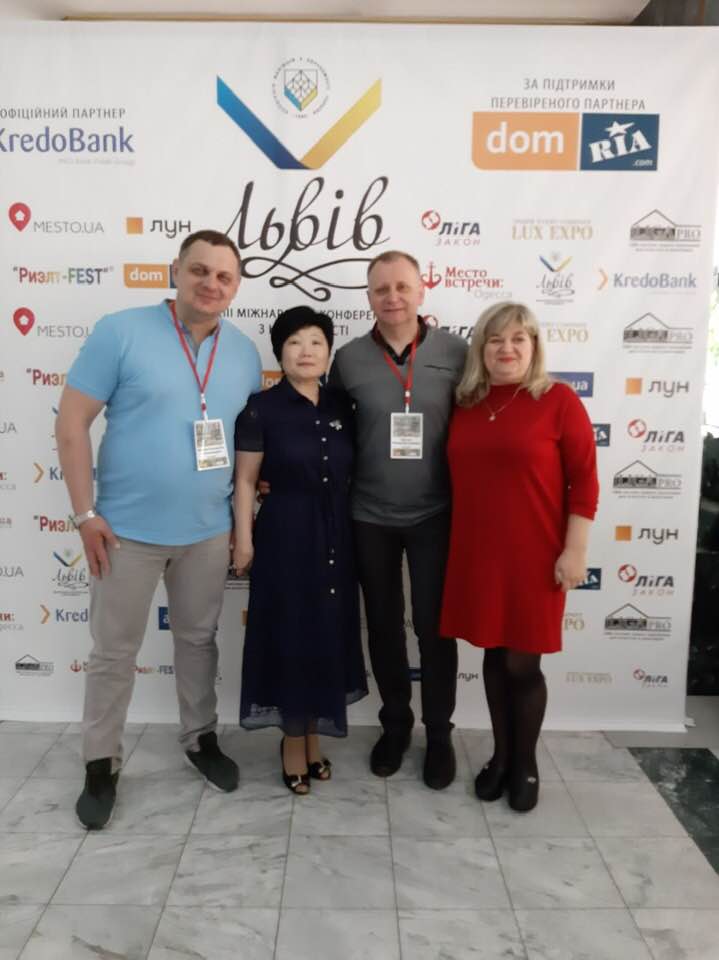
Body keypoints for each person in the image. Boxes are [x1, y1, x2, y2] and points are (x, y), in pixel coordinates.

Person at [55, 229, 261, 829]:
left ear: (235, 287)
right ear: (175, 270)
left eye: (223, 276)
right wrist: (84, 514)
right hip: (123, 533)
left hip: (207, 531)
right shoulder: (120, 331)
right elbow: (72, 422)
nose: (210, 284)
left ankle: (200, 738)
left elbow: (248, 443)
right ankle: (100, 763)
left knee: (198, 640)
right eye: (199, 270)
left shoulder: (244, 352)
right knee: (113, 652)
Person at [440, 301, 598, 812]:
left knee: (522, 663)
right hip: (477, 554)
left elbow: (584, 484)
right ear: (481, 348)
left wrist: (575, 551)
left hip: (536, 555)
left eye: (517, 339)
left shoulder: (558, 400)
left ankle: (526, 763)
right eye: (495, 340)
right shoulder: (465, 403)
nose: (506, 349)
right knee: (493, 655)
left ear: (534, 347)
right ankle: (501, 757)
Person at [329, 251, 468, 789]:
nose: (392, 297)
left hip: (437, 514)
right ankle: (395, 725)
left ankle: (439, 734)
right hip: (369, 515)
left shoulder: (457, 352)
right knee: (384, 625)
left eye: (402, 286)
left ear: (421, 290)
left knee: (435, 629)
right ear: (368, 296)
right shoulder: (348, 359)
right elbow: (330, 435)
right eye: (381, 288)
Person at [233, 306, 367, 793]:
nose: (306, 351)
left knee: (325, 635)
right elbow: (246, 481)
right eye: (294, 342)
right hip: (285, 537)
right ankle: (292, 743)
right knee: (290, 636)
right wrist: (244, 540)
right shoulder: (260, 409)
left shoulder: (343, 407)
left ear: (329, 352)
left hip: (337, 538)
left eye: (316, 341)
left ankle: (313, 735)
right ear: (280, 353)